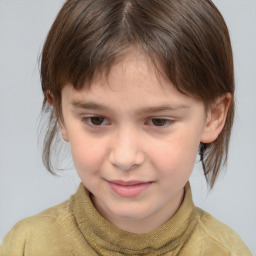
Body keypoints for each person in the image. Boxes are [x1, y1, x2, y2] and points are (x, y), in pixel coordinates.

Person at [0, 0, 252, 255]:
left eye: (159, 121)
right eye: (96, 120)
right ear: (61, 115)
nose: (125, 157)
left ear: (213, 117)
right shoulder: (25, 246)